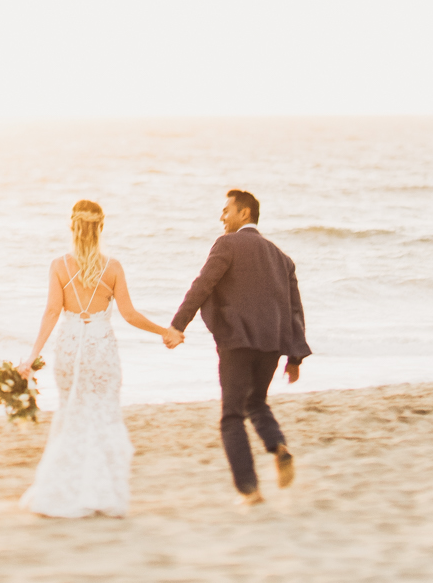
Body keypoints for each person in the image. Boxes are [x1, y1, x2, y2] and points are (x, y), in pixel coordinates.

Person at [17, 200, 183, 518]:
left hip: (69, 346)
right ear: (101, 227)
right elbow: (130, 315)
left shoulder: (58, 266)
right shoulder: (114, 267)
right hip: (100, 348)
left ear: (72, 227)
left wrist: (32, 355)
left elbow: (52, 312)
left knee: (72, 414)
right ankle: (99, 492)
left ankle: (65, 490)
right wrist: (165, 331)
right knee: (101, 415)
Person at [169, 188, 310, 507]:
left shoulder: (227, 244)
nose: (222, 216)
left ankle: (249, 490)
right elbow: (294, 309)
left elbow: (202, 285)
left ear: (244, 213)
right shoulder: (281, 257)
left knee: (231, 416)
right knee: (256, 402)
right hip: (271, 346)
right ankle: (278, 446)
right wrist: (295, 356)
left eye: (226, 210)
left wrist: (178, 325)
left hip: (237, 342)